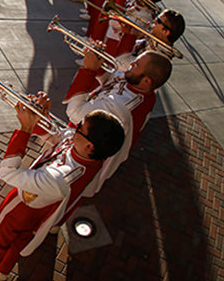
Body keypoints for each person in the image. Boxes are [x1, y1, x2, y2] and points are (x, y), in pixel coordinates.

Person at [0, 96, 125, 281]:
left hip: (23, 205)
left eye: (80, 128)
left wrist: (25, 129)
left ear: (90, 146)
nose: (74, 128)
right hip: (41, 209)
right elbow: (56, 136)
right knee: (21, 238)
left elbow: (8, 172)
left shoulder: (60, 179)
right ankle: (3, 270)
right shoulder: (90, 155)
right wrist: (39, 116)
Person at [61, 47, 173, 199]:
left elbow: (75, 113)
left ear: (147, 81)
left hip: (84, 148)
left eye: (136, 64)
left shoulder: (120, 107)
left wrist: (88, 70)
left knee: (68, 187)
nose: (131, 64)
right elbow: (111, 81)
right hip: (85, 138)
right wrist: (98, 63)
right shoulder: (138, 84)